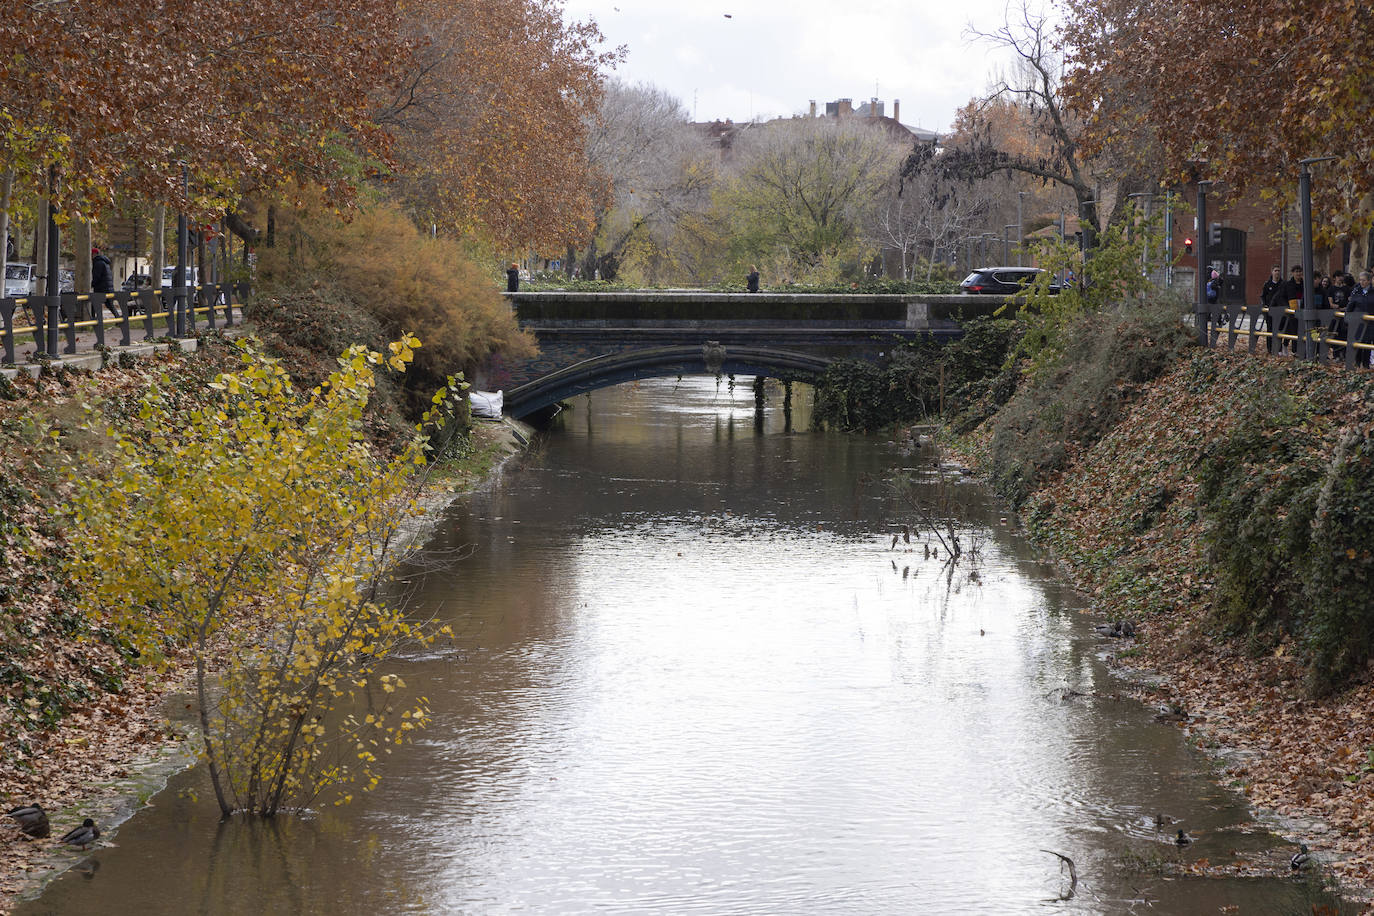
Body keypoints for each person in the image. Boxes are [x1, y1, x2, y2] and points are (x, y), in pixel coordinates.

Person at [1348, 270, 1374, 367]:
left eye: (1364, 280)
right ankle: (1358, 363)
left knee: (1367, 343)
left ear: (1369, 281)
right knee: (1358, 342)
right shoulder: (1356, 292)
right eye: (1360, 280)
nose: (1361, 282)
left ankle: (1366, 364)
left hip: (1370, 323)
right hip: (1358, 322)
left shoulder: (1373, 292)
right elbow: (1350, 307)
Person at [90, 246, 118, 317]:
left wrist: (92, 284)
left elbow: (97, 276)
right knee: (110, 305)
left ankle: (94, 319)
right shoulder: (105, 263)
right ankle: (118, 318)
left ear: (94, 254)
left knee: (94, 303)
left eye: (91, 254)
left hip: (101, 288)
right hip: (107, 288)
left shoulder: (98, 263)